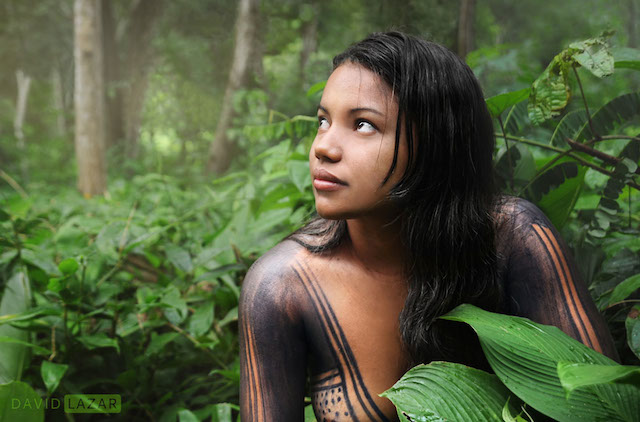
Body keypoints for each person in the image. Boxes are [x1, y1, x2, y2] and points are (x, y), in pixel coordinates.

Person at [238, 31, 617, 421]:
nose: (323, 147)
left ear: (436, 143)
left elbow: (605, 405)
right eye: (323, 120)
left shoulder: (515, 238)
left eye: (364, 125)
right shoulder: (282, 286)